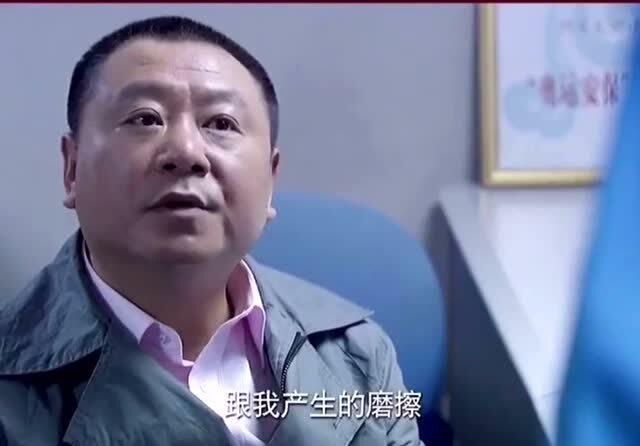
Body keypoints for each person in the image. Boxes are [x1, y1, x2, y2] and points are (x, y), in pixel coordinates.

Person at [0, 16, 422, 446]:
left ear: (271, 178)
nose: (186, 151)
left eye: (221, 124)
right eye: (145, 119)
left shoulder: (356, 352)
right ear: (72, 169)